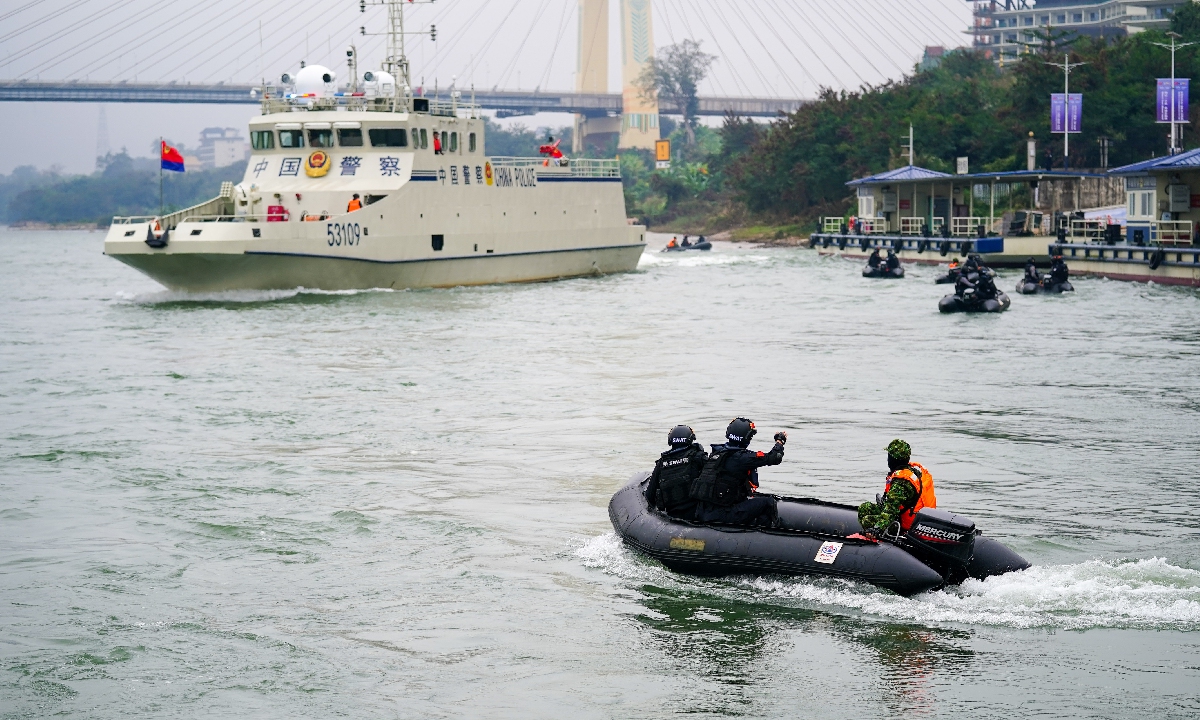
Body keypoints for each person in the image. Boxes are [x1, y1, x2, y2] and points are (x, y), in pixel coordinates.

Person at [690, 418, 786, 527]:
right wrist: (780, 441)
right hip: (723, 514)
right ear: (747, 437)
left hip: (704, 513)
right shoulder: (742, 458)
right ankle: (773, 533)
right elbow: (774, 457)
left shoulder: (717, 453)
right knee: (769, 502)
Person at [857, 439, 936, 538]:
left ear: (893, 460)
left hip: (905, 525)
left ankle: (882, 539)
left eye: (888, 456)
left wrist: (877, 528)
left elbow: (890, 512)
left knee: (867, 520)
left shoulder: (901, 483)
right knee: (865, 507)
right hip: (914, 520)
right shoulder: (914, 472)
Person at [645, 425, 708, 519]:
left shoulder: (662, 463)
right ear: (690, 439)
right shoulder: (698, 457)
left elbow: (650, 495)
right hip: (697, 514)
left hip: (672, 515)